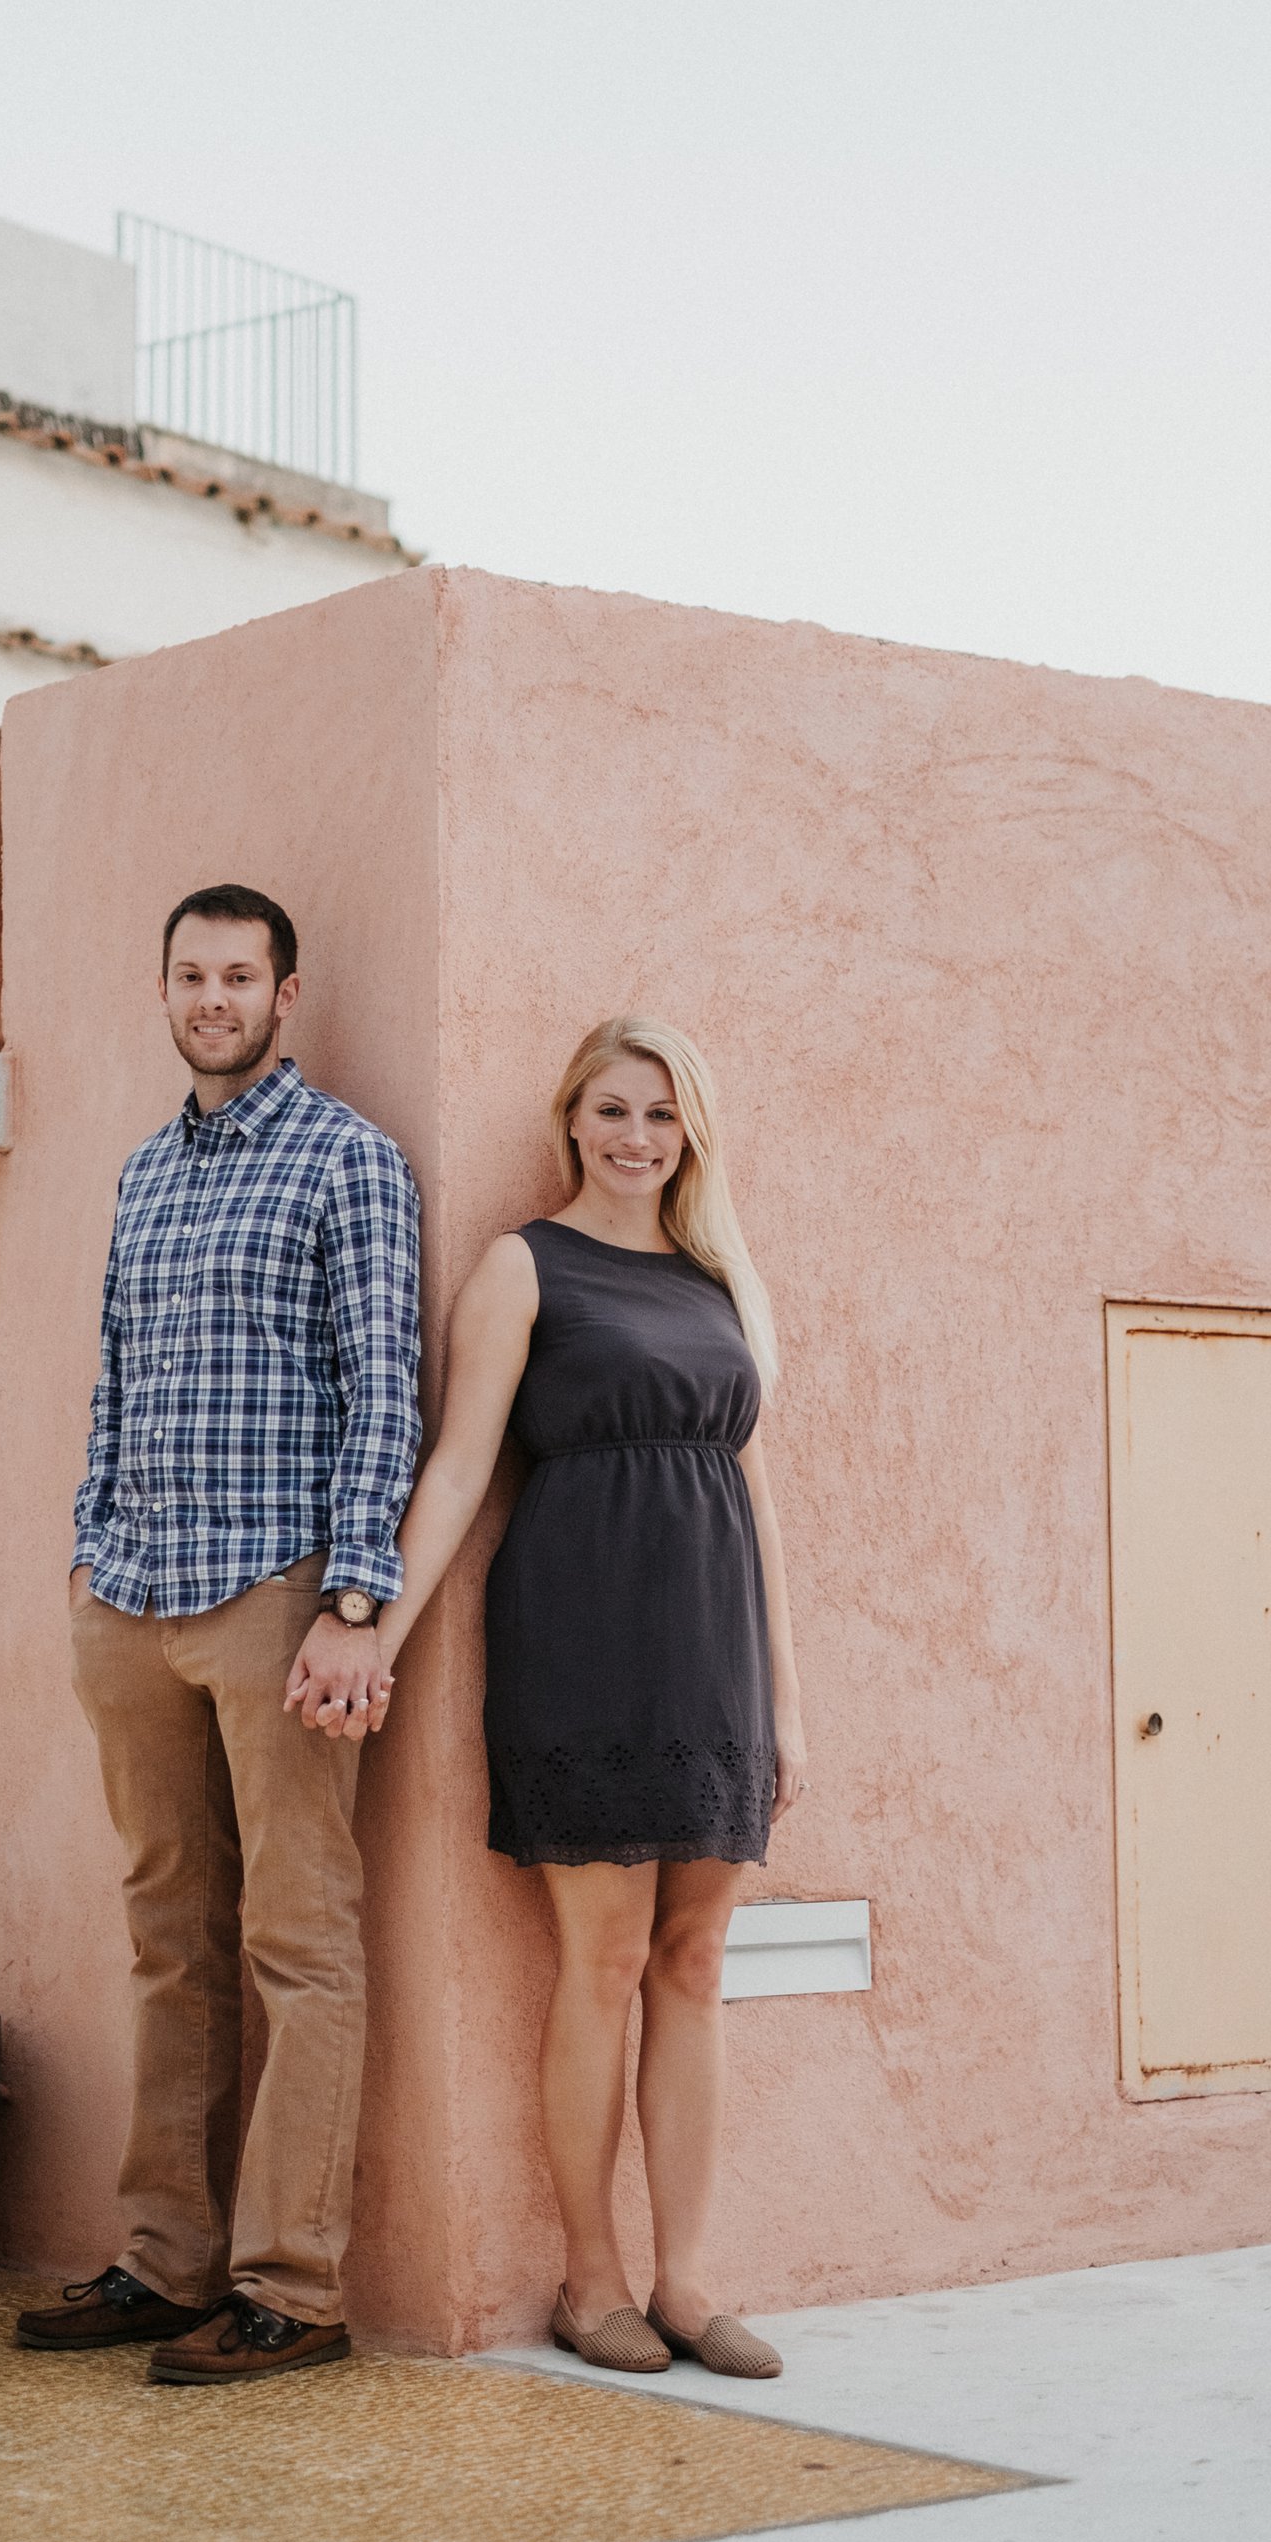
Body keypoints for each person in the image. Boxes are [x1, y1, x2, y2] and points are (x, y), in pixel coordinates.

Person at [17, 884, 421, 2385]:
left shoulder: (349, 1160)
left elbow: (387, 1385)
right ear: (166, 990)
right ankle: (163, 2261)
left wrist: (356, 1601)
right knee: (166, 1933)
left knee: (298, 1936)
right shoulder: (142, 1175)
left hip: (275, 1595)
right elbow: (115, 1381)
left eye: (239, 976)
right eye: (191, 975)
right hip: (131, 1599)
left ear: (284, 994)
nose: (213, 998)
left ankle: (293, 2288)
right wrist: (86, 1555)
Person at [371, 1016, 807, 2379]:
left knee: (696, 1964)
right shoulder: (523, 1266)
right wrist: (377, 1629)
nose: (636, 1137)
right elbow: (458, 1469)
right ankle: (591, 2280)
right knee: (604, 1964)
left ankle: (687, 2283)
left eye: (662, 1116)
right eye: (613, 1110)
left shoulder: (718, 1278)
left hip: (715, 1655)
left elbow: (756, 1500)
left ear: (691, 1136)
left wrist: (786, 1703)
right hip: (581, 1640)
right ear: (570, 1120)